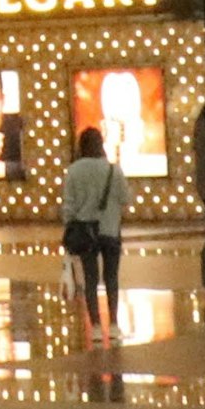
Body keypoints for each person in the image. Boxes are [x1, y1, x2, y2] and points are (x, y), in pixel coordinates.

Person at [60, 124, 132, 343]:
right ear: (101, 145)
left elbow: (69, 206)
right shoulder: (113, 170)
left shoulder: (74, 171)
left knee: (90, 279)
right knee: (111, 278)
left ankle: (97, 326)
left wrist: (68, 226)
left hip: (85, 231)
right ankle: (114, 324)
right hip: (110, 229)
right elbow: (125, 198)